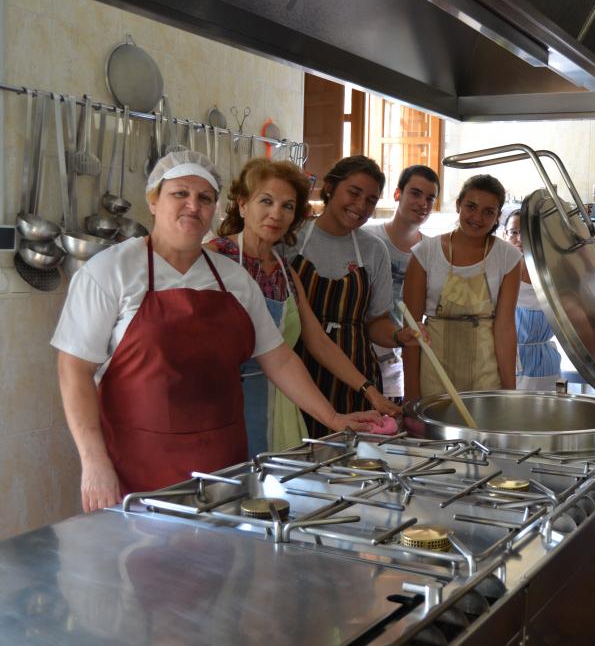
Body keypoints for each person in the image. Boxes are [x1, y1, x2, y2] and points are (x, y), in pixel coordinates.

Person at [52, 151, 381, 511]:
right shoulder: (110, 271)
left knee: (221, 563)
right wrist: (94, 463)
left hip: (224, 468)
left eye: (205, 197)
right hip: (136, 468)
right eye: (180, 194)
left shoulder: (234, 279)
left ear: (215, 209)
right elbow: (74, 370)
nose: (193, 206)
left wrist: (333, 419)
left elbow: (280, 359)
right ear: (153, 200)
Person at [206, 158, 401, 457]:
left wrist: (368, 392)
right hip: (220, 401)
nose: (276, 214)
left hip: (281, 400)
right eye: (266, 201)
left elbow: (317, 341)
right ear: (243, 204)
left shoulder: (284, 271)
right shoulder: (214, 257)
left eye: (287, 206)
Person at [290, 155, 420, 438]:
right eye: (354, 192)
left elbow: (376, 322)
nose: (361, 206)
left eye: (371, 200)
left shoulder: (374, 250)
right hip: (297, 369)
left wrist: (399, 337)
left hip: (356, 374)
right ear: (330, 188)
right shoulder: (291, 238)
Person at [403, 174, 521, 402]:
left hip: (486, 377)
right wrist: (411, 395)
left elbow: (505, 328)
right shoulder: (425, 253)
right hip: (434, 375)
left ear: (498, 216)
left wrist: (510, 396)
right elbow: (411, 329)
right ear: (458, 205)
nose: (478, 217)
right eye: (471, 206)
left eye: (489, 212)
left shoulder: (508, 258)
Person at [367, 165, 440, 402]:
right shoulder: (368, 239)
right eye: (415, 194)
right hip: (361, 352)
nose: (423, 204)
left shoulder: (432, 251)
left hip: (402, 360)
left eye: (430, 198)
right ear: (398, 194)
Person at [504, 210, 562, 391]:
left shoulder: (553, 278)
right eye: (514, 232)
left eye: (527, 233)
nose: (520, 239)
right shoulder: (497, 276)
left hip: (546, 365)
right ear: (504, 235)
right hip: (506, 361)